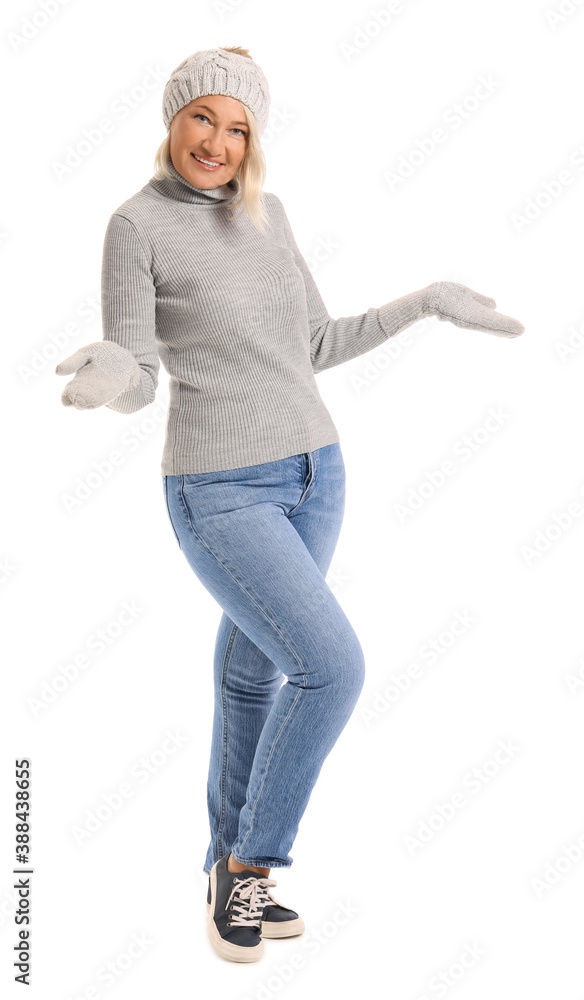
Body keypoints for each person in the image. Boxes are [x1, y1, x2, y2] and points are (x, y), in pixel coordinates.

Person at [55, 46, 525, 964]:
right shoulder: (135, 225)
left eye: (239, 129)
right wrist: (116, 373)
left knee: (254, 676)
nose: (219, 142)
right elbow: (141, 374)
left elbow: (310, 340)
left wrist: (423, 301)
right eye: (204, 119)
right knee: (332, 667)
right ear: (174, 119)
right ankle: (250, 869)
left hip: (317, 475)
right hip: (219, 489)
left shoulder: (271, 217)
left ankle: (218, 873)